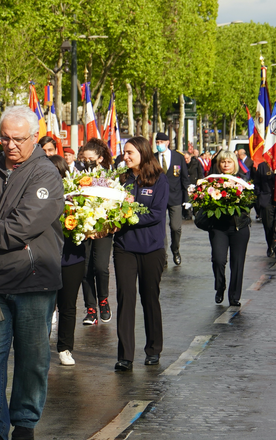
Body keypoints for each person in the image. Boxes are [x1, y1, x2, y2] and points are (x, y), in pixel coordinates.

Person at [0, 105, 64, 440]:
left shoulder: (45, 174)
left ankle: (24, 422)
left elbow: (24, 225)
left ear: (34, 137)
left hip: (32, 279)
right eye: (4, 137)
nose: (10, 145)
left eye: (18, 139)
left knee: (33, 356)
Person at [113, 136, 169, 372]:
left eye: (129, 153)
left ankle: (153, 349)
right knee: (126, 299)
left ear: (143, 153)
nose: (125, 157)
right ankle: (125, 355)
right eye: (124, 152)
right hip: (124, 247)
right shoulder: (121, 179)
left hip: (151, 249)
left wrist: (127, 217)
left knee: (149, 298)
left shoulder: (159, 179)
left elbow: (156, 213)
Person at [48, 154, 84, 366]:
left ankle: (65, 348)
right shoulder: (38, 195)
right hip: (47, 259)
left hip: (72, 257)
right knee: (45, 305)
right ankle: (41, 345)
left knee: (68, 305)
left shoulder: (76, 197)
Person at [205, 150, 250, 307]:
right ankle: (220, 286)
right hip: (219, 228)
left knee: (237, 263)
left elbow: (250, 202)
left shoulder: (243, 181)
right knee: (218, 259)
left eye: (229, 162)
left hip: (239, 227)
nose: (225, 164)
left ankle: (234, 296)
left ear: (234, 164)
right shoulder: (211, 182)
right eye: (223, 162)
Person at [78, 139, 113, 327]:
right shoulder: (77, 175)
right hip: (83, 229)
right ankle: (90, 309)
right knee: (85, 269)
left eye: (90, 159)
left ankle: (103, 300)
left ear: (99, 158)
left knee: (100, 267)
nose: (87, 162)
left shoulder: (109, 177)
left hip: (103, 228)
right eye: (84, 159)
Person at [154, 132, 189, 266]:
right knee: (160, 228)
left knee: (175, 227)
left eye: (161, 143)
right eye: (157, 143)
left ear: (167, 143)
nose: (159, 145)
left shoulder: (178, 157)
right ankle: (163, 255)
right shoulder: (153, 158)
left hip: (175, 197)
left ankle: (175, 249)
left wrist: (187, 198)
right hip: (158, 198)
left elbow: (184, 178)